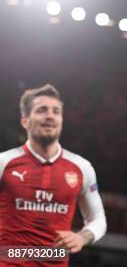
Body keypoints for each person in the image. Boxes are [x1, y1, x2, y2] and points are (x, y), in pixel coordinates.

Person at [0, 84, 107, 266]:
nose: (50, 115)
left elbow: (98, 220)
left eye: (56, 111)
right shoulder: (4, 163)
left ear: (61, 120)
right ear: (25, 120)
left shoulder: (81, 167)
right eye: (42, 110)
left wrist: (81, 237)